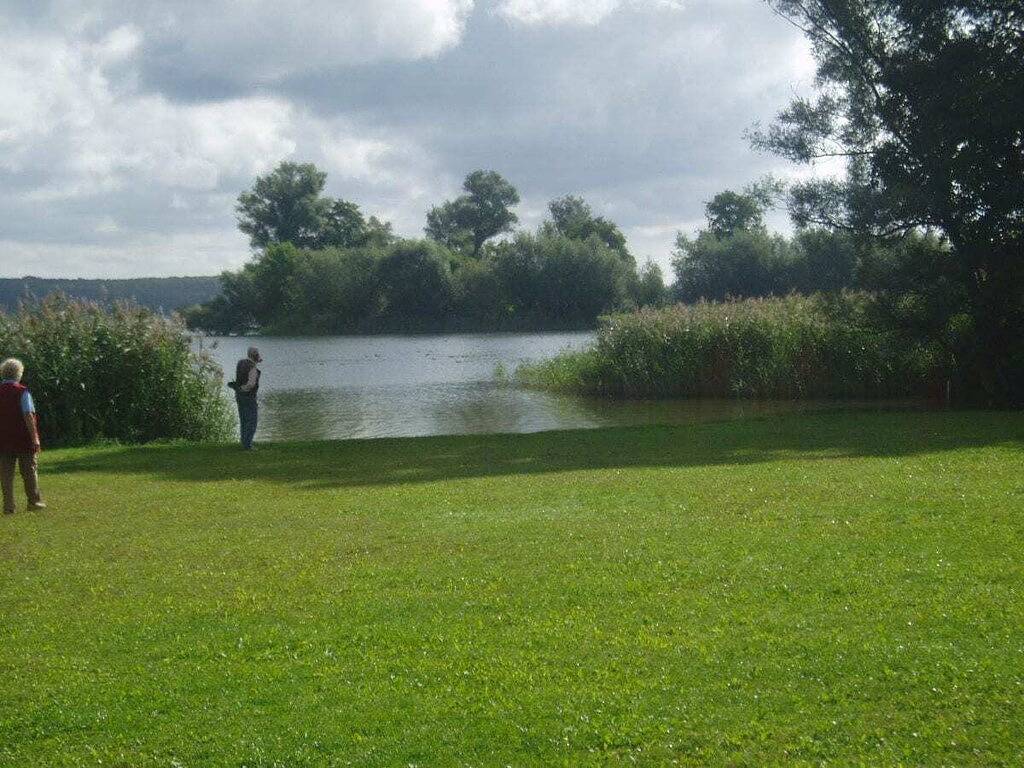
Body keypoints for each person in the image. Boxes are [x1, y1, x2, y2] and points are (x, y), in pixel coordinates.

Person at [0, 358, 46, 514]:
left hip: (3, 439)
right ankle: (34, 501)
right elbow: (28, 415)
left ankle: (8, 507)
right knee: (29, 471)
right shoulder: (22, 391)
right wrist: (35, 438)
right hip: (23, 438)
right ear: (18, 373)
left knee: (6, 474)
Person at [230, 346, 262, 450]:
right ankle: (248, 444)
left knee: (243, 419)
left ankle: (244, 442)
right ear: (255, 355)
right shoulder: (252, 367)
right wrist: (244, 389)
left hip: (239, 395)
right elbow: (251, 384)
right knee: (252, 420)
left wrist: (239, 390)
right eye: (257, 354)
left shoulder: (241, 363)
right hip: (248, 396)